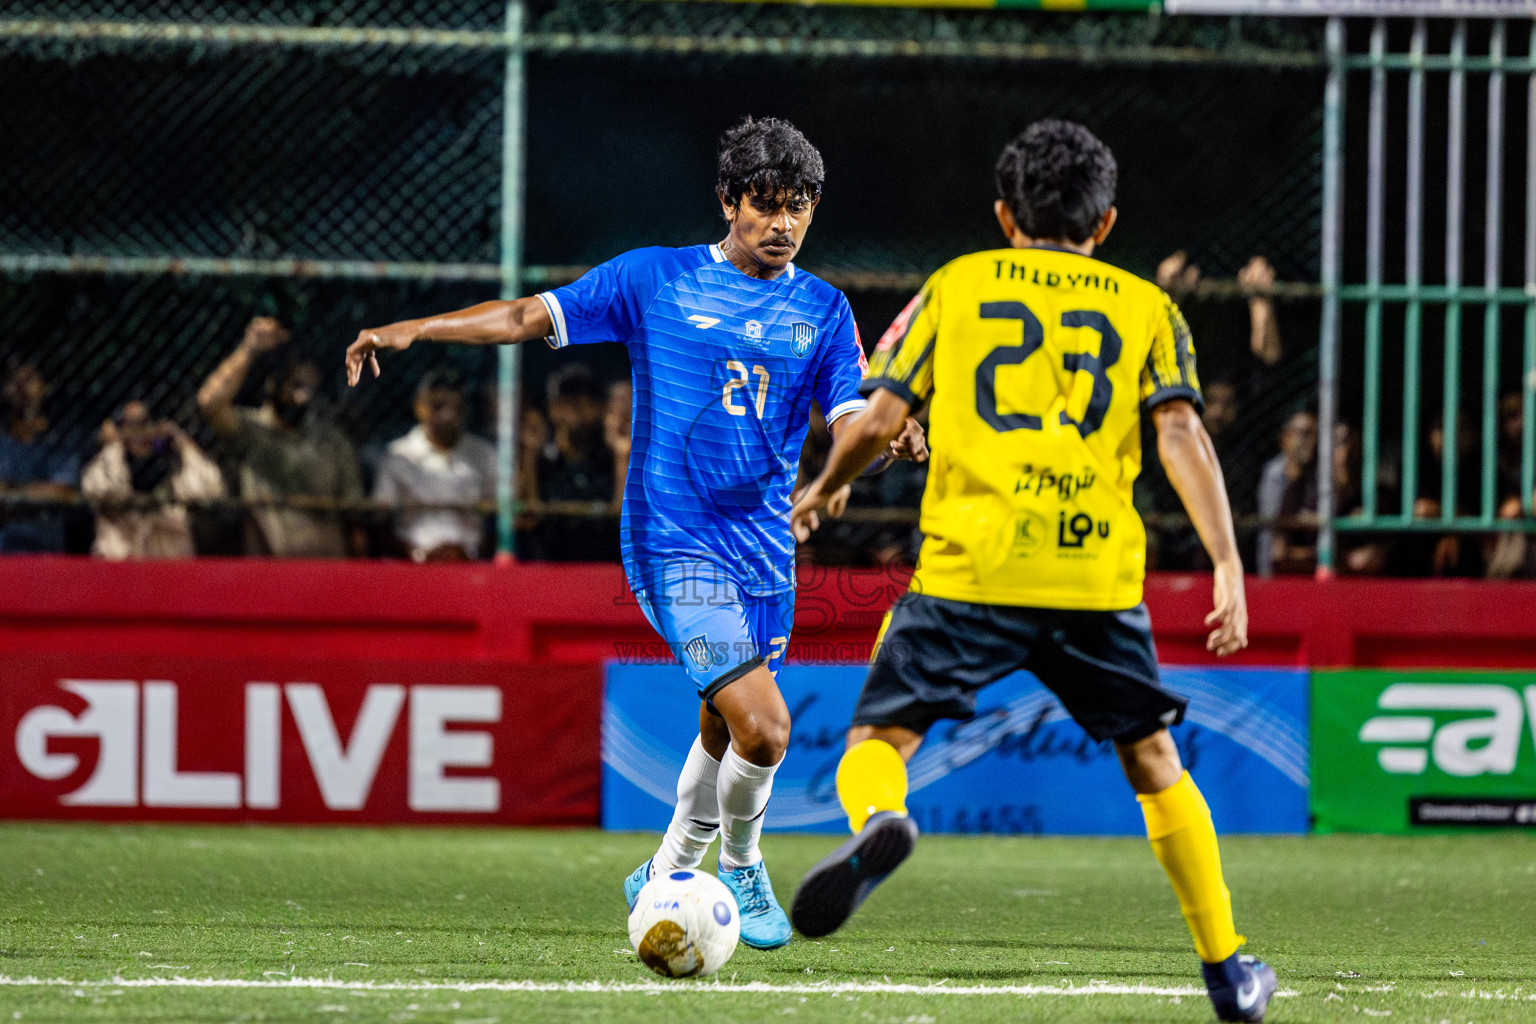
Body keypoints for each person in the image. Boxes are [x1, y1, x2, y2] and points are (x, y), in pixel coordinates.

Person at [344, 117, 925, 952]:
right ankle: (745, 862)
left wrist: (884, 437)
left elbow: (847, 428)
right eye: (765, 205)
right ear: (728, 201)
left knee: (724, 728)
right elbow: (522, 317)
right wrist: (417, 328)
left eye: (799, 207)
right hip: (672, 542)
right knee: (765, 725)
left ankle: (662, 870)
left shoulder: (824, 312)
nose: (783, 224)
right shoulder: (654, 280)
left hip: (765, 553)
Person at [787, 120, 1275, 1022]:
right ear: (1109, 219)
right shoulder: (1146, 308)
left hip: (970, 569)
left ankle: (879, 825)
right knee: (1155, 759)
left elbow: (877, 414)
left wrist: (822, 490)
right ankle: (1227, 969)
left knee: (876, 745)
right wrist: (1227, 564)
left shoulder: (956, 286)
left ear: (1005, 213)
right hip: (1091, 573)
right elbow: (1181, 435)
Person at [197, 316, 366, 557]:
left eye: (309, 387)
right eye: (294, 385)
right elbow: (209, 401)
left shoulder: (332, 442)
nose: (301, 397)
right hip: (271, 571)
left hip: (328, 570)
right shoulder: (250, 430)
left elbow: (355, 517)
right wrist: (249, 350)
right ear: (272, 384)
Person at [372, 368, 496, 562]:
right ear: (419, 407)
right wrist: (417, 554)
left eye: (456, 407)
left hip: (472, 564)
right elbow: (381, 522)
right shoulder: (398, 456)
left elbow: (500, 518)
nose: (447, 414)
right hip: (415, 564)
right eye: (438, 406)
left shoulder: (484, 454)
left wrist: (473, 552)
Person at [81, 400, 225, 559]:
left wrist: (184, 444)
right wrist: (114, 445)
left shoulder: (174, 465)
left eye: (144, 423)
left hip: (170, 567)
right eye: (130, 425)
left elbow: (210, 489)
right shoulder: (110, 463)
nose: (139, 432)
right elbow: (101, 489)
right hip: (119, 568)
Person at [522, 365, 622, 561]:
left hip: (604, 572)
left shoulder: (613, 461)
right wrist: (530, 454)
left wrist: (621, 455)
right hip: (550, 571)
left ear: (601, 409)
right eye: (567, 399)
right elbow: (528, 519)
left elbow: (627, 522)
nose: (577, 407)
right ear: (552, 408)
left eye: (586, 399)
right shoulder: (540, 461)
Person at [0, 359, 81, 553]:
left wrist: (11, 491)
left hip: (46, 551)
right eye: (15, 382)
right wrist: (38, 491)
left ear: (44, 387)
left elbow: (63, 492)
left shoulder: (61, 441)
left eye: (29, 380)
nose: (22, 389)